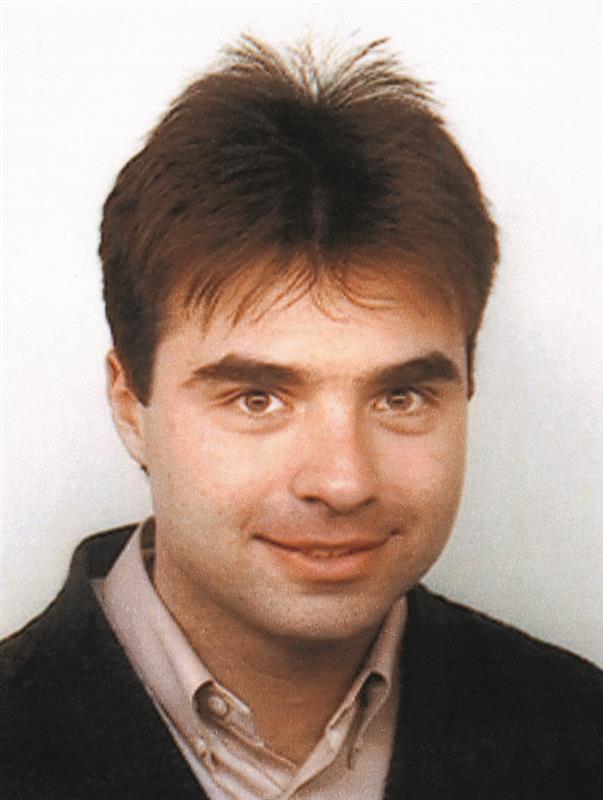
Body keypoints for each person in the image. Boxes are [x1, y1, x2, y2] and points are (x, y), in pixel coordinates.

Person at [1, 35, 601, 800]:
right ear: (129, 405)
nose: (342, 481)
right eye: (257, 398)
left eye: (400, 397)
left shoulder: (581, 737)